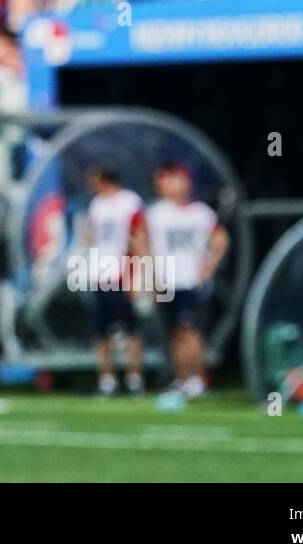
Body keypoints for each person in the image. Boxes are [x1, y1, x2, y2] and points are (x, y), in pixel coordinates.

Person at [144, 165, 229, 400]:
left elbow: (220, 239)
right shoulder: (155, 213)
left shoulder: (200, 213)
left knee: (189, 330)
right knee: (174, 333)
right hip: (165, 280)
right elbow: (144, 246)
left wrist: (209, 265)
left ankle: (197, 378)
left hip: (188, 280)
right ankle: (181, 379)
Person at [80, 165, 145, 397]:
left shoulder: (129, 201)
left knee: (130, 330)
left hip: (121, 272)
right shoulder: (97, 204)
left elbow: (138, 237)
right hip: (99, 272)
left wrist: (140, 273)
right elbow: (89, 236)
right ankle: (107, 379)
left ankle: (134, 378)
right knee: (101, 331)